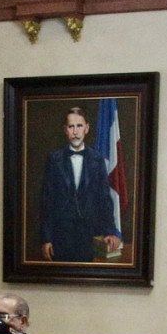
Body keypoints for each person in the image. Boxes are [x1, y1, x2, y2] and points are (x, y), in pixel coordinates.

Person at [39, 107, 123, 263]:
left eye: (79, 126)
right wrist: (46, 238)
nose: (75, 131)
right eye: (71, 126)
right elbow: (47, 202)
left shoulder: (97, 160)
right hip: (60, 237)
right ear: (65, 130)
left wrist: (110, 231)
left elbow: (104, 198)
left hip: (88, 236)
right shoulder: (54, 160)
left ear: (87, 128)